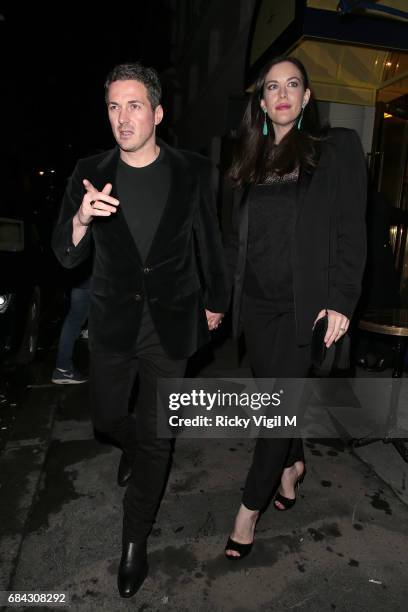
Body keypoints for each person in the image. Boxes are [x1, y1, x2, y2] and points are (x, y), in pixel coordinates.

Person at [52, 62, 229, 598]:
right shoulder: (89, 169)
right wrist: (81, 219)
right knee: (107, 418)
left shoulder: (193, 170)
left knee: (158, 437)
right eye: (113, 107)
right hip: (113, 324)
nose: (122, 118)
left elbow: (210, 243)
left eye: (133, 106)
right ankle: (125, 442)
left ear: (157, 112)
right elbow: (64, 253)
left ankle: (134, 542)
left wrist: (217, 303)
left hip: (171, 324)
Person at [224, 56, 367, 559]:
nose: (282, 93)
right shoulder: (248, 160)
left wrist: (342, 299)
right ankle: (292, 466)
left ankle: (246, 515)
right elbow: (233, 242)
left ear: (306, 97)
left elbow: (352, 228)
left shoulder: (337, 149)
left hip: (304, 308)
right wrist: (221, 302)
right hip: (259, 307)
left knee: (275, 415)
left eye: (292, 85)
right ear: (262, 103)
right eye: (271, 87)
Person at [51, 272, 90, 384]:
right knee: (74, 321)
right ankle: (63, 368)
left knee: (74, 319)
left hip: (80, 278)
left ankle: (62, 368)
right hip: (95, 277)